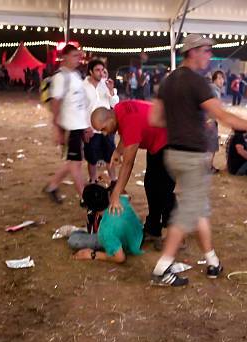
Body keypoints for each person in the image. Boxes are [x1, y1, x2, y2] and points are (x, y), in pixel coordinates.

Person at [149, 34, 247, 287]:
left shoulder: (168, 81)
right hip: (192, 156)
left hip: (173, 153)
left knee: (198, 208)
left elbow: (155, 119)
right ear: (193, 52)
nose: (210, 56)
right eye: (207, 51)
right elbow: (227, 119)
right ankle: (161, 268)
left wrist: (182, 121)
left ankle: (212, 261)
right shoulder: (198, 83)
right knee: (187, 212)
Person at [91, 101, 173, 251]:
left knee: (164, 190)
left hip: (169, 141)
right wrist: (118, 151)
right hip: (157, 142)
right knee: (150, 184)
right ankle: (153, 229)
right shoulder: (119, 110)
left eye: (103, 129)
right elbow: (125, 134)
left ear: (110, 119)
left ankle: (177, 236)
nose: (104, 133)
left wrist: (115, 194)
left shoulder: (130, 123)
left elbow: (128, 164)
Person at [44, 44, 93, 203]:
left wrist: (86, 125)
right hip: (69, 126)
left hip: (78, 125)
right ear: (64, 57)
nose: (78, 59)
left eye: (79, 56)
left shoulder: (76, 75)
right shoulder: (60, 77)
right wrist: (57, 128)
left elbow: (80, 103)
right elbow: (55, 103)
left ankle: (52, 186)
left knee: (73, 161)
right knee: (76, 163)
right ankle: (84, 197)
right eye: (75, 56)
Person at [69, 184, 143, 263]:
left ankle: (81, 231)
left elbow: (120, 258)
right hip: (138, 234)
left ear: (90, 209)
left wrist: (93, 255)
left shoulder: (105, 231)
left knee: (73, 240)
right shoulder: (120, 199)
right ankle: (82, 231)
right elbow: (126, 195)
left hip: (127, 243)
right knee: (77, 235)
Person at [83, 59, 119, 184]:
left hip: (106, 128)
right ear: (90, 72)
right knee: (92, 158)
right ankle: (93, 181)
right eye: (97, 70)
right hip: (91, 129)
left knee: (110, 156)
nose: (100, 73)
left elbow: (115, 104)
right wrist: (86, 128)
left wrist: (111, 91)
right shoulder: (83, 86)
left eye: (102, 70)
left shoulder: (106, 84)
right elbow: (80, 109)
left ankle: (113, 181)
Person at [207, 70, 225, 173]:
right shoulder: (213, 90)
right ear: (214, 79)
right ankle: (208, 168)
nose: (221, 80)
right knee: (211, 146)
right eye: (219, 78)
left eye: (222, 78)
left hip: (209, 121)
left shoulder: (214, 89)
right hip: (210, 122)